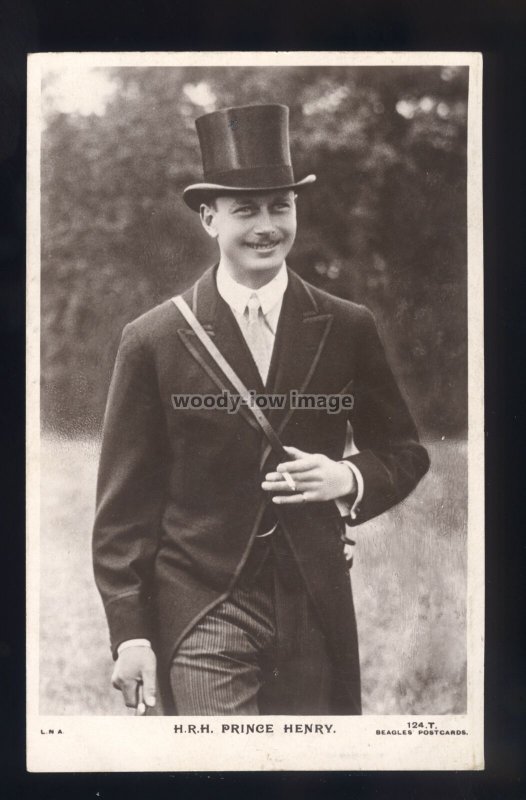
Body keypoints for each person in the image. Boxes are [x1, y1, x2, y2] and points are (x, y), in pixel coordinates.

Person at [92, 103, 430, 716]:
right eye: (245, 210)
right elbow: (123, 510)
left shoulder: (349, 326)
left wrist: (346, 478)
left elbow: (406, 452)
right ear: (208, 219)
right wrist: (132, 633)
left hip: (313, 602)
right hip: (201, 603)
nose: (266, 226)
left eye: (281, 206)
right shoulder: (154, 338)